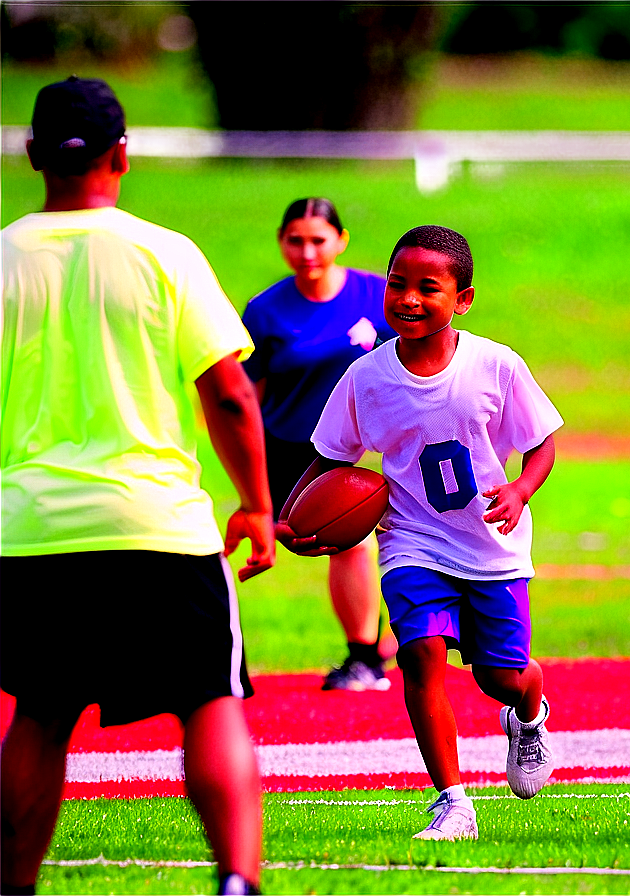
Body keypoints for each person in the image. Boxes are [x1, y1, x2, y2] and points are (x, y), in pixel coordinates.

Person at [1, 77, 274, 896]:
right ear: (125, 154)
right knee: (209, 702)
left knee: (41, 716)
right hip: (157, 524)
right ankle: (237, 882)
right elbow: (228, 391)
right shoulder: (164, 251)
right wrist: (258, 504)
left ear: (32, 155)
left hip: (32, 530)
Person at [277, 225, 563, 839]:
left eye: (426, 288)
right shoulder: (364, 377)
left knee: (501, 678)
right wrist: (294, 515)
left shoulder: (495, 363)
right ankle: (453, 802)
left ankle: (530, 709)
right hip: (411, 539)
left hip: (492, 546)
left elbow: (541, 445)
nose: (407, 298)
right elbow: (330, 458)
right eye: (396, 284)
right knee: (421, 656)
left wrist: (518, 490)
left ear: (462, 299)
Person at [242, 198, 397, 692]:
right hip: (291, 446)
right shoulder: (265, 310)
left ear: (341, 240)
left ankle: (364, 659)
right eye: (295, 240)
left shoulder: (379, 295)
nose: (307, 251)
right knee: (286, 540)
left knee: (352, 542)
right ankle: (222, 666)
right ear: (281, 243)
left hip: (359, 449)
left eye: (318, 239)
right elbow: (248, 393)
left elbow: (414, 359)